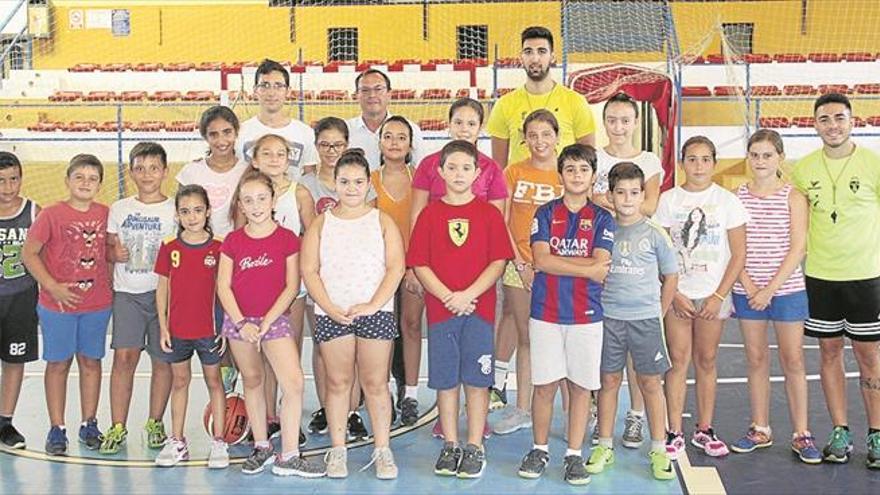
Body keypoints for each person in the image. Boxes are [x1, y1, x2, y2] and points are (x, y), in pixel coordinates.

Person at [408, 140, 513, 479]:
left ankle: (474, 446)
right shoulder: (429, 214)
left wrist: (468, 294)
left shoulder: (489, 214)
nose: (458, 174)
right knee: (446, 380)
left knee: (477, 381)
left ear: (478, 172)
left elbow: (497, 262)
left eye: (466, 168)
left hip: (478, 311)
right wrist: (447, 296)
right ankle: (450, 444)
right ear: (439, 172)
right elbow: (420, 263)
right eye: (451, 167)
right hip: (441, 312)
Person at [515, 144, 614, 485]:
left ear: (592, 176)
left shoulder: (603, 218)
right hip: (546, 312)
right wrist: (587, 269)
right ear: (561, 175)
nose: (576, 175)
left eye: (582, 170)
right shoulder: (544, 213)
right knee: (544, 385)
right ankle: (540, 448)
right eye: (569, 169)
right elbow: (541, 261)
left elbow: (602, 262)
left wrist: (563, 265)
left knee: (580, 387)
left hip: (586, 315)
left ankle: (573, 455)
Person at [302, 149, 405, 479]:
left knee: (375, 383)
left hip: (375, 312)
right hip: (334, 313)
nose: (351, 187)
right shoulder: (321, 224)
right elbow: (310, 271)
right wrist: (329, 307)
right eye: (344, 181)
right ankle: (338, 450)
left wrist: (373, 304)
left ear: (368, 184)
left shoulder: (382, 220)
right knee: (338, 383)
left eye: (358, 181)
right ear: (334, 183)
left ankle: (382, 450)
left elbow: (395, 267)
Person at [792, 92, 880, 468]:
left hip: (866, 277)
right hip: (821, 277)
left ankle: (876, 434)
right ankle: (839, 431)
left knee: (870, 357)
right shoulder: (803, 169)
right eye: (825, 119)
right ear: (815, 124)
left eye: (839, 118)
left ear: (852, 121)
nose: (833, 125)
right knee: (829, 353)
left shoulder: (873, 165)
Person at [216, 170, 323, 477]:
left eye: (262, 198)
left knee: (293, 383)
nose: (256, 205)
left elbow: (292, 287)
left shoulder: (288, 239)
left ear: (274, 199)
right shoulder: (233, 242)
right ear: (240, 204)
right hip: (240, 323)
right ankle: (261, 446)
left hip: (273, 321)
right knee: (252, 380)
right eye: (248, 200)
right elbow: (224, 286)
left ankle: (289, 454)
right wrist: (242, 323)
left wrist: (265, 323)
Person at [728, 129, 820, 464]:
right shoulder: (736, 197)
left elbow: (799, 248)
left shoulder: (793, 197)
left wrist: (770, 289)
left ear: (780, 157)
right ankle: (760, 428)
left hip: (786, 290)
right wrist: (750, 286)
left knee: (793, 359)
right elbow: (733, 247)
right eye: (755, 155)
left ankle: (801, 433)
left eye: (767, 155)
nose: (761, 161)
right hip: (747, 291)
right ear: (748, 157)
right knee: (755, 359)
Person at [654, 136, 748, 459]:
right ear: (682, 163)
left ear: (714, 163)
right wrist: (675, 292)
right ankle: (673, 430)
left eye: (705, 159)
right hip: (678, 296)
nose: (698, 166)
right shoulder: (668, 201)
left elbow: (738, 255)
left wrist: (718, 295)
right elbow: (660, 253)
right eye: (691, 159)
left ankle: (705, 429)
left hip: (712, 295)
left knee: (706, 361)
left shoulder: (727, 202)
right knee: (677, 362)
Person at [583, 162, 677, 481]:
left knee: (650, 382)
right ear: (609, 195)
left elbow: (672, 276)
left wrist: (658, 313)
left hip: (645, 320)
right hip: (609, 319)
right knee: (608, 381)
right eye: (620, 192)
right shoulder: (603, 229)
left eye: (634, 192)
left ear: (643, 195)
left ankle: (659, 449)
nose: (627, 198)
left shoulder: (654, 233)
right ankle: (605, 445)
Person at [22, 154, 112, 456]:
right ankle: (57, 427)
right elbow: (30, 254)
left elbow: (108, 252)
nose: (86, 183)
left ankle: (89, 422)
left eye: (92, 178)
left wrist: (118, 254)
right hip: (56, 305)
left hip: (97, 304)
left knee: (91, 362)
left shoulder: (105, 214)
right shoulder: (51, 215)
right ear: (68, 181)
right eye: (80, 177)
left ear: (100, 183)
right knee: (58, 364)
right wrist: (52, 286)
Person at [592, 92, 667, 448]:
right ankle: (600, 417)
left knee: (641, 366)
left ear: (636, 123)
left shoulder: (649, 160)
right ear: (604, 122)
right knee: (605, 359)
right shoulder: (595, 157)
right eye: (612, 120)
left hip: (633, 252)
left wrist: (613, 203)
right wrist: (599, 202)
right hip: (601, 258)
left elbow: (650, 204)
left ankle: (636, 416)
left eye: (625, 120)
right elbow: (584, 197)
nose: (618, 127)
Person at [239, 133, 316, 446]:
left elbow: (312, 235)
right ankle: (268, 417)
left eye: (280, 153)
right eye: (266, 153)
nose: (273, 159)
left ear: (289, 159)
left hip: (289, 288)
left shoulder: (299, 193)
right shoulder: (246, 194)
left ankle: (288, 420)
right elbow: (239, 239)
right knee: (259, 360)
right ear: (255, 160)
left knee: (288, 356)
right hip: (255, 290)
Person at [101, 143, 177, 455]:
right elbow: (107, 251)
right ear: (130, 172)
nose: (147, 174)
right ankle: (118, 425)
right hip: (127, 295)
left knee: (163, 361)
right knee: (124, 359)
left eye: (153, 168)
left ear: (165, 171)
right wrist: (112, 253)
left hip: (165, 297)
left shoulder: (174, 209)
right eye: (140, 168)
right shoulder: (119, 208)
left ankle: (155, 421)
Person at [301, 116, 373, 441]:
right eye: (325, 144)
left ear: (348, 146)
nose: (331, 150)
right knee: (322, 343)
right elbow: (310, 230)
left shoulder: (357, 182)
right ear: (316, 147)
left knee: (356, 346)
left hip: (353, 276)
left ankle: (353, 409)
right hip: (320, 275)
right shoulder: (306, 184)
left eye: (338, 144)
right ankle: (326, 405)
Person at [493, 109, 564, 436]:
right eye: (533, 135)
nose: (539, 141)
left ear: (556, 137)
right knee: (527, 338)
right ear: (524, 139)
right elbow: (502, 220)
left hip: (558, 267)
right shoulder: (513, 172)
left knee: (563, 338)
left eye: (545, 134)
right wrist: (519, 263)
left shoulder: (566, 173)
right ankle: (522, 408)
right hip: (518, 267)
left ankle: (578, 409)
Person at [153, 185, 227, 468]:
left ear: (208, 211)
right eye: (185, 211)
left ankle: (219, 441)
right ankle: (177, 440)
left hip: (209, 330)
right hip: (178, 330)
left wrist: (225, 327)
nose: (192, 216)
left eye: (197, 210)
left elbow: (226, 289)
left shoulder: (219, 247)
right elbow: (162, 287)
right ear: (177, 214)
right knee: (180, 382)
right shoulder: (169, 246)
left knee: (214, 382)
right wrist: (163, 325)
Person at [486, 26, 595, 168]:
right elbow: (499, 169)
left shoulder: (576, 102)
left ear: (553, 57)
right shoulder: (504, 105)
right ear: (521, 57)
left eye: (542, 51)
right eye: (528, 52)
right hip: (520, 188)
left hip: (562, 188)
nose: (535, 58)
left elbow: (588, 161)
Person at [370, 116, 418, 426]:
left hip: (414, 266)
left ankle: (410, 392)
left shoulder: (421, 179)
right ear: (380, 142)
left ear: (410, 145)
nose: (395, 142)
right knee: (384, 330)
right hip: (379, 268)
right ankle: (382, 389)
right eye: (389, 136)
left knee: (411, 325)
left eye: (402, 137)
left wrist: (415, 267)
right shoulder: (369, 180)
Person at [0, 151, 40, 449]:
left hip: (21, 297)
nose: (8, 187)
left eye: (13, 179)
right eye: (1, 181)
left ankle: (5, 422)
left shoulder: (35, 212)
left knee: (14, 361)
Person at [238, 59, 319, 180]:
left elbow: (310, 179)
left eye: (278, 86)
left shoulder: (305, 133)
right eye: (264, 85)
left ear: (288, 91)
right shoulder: (240, 133)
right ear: (255, 91)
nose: (271, 93)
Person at [177, 105, 249, 238]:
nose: (221, 140)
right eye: (213, 134)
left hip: (234, 250)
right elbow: (181, 216)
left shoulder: (248, 171)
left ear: (236, 132)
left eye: (227, 132)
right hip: (197, 248)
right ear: (205, 137)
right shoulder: (190, 172)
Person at [346, 68, 425, 170]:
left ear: (389, 94)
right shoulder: (345, 130)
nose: (372, 95)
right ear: (356, 95)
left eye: (378, 89)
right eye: (365, 90)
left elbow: (422, 170)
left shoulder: (410, 129)